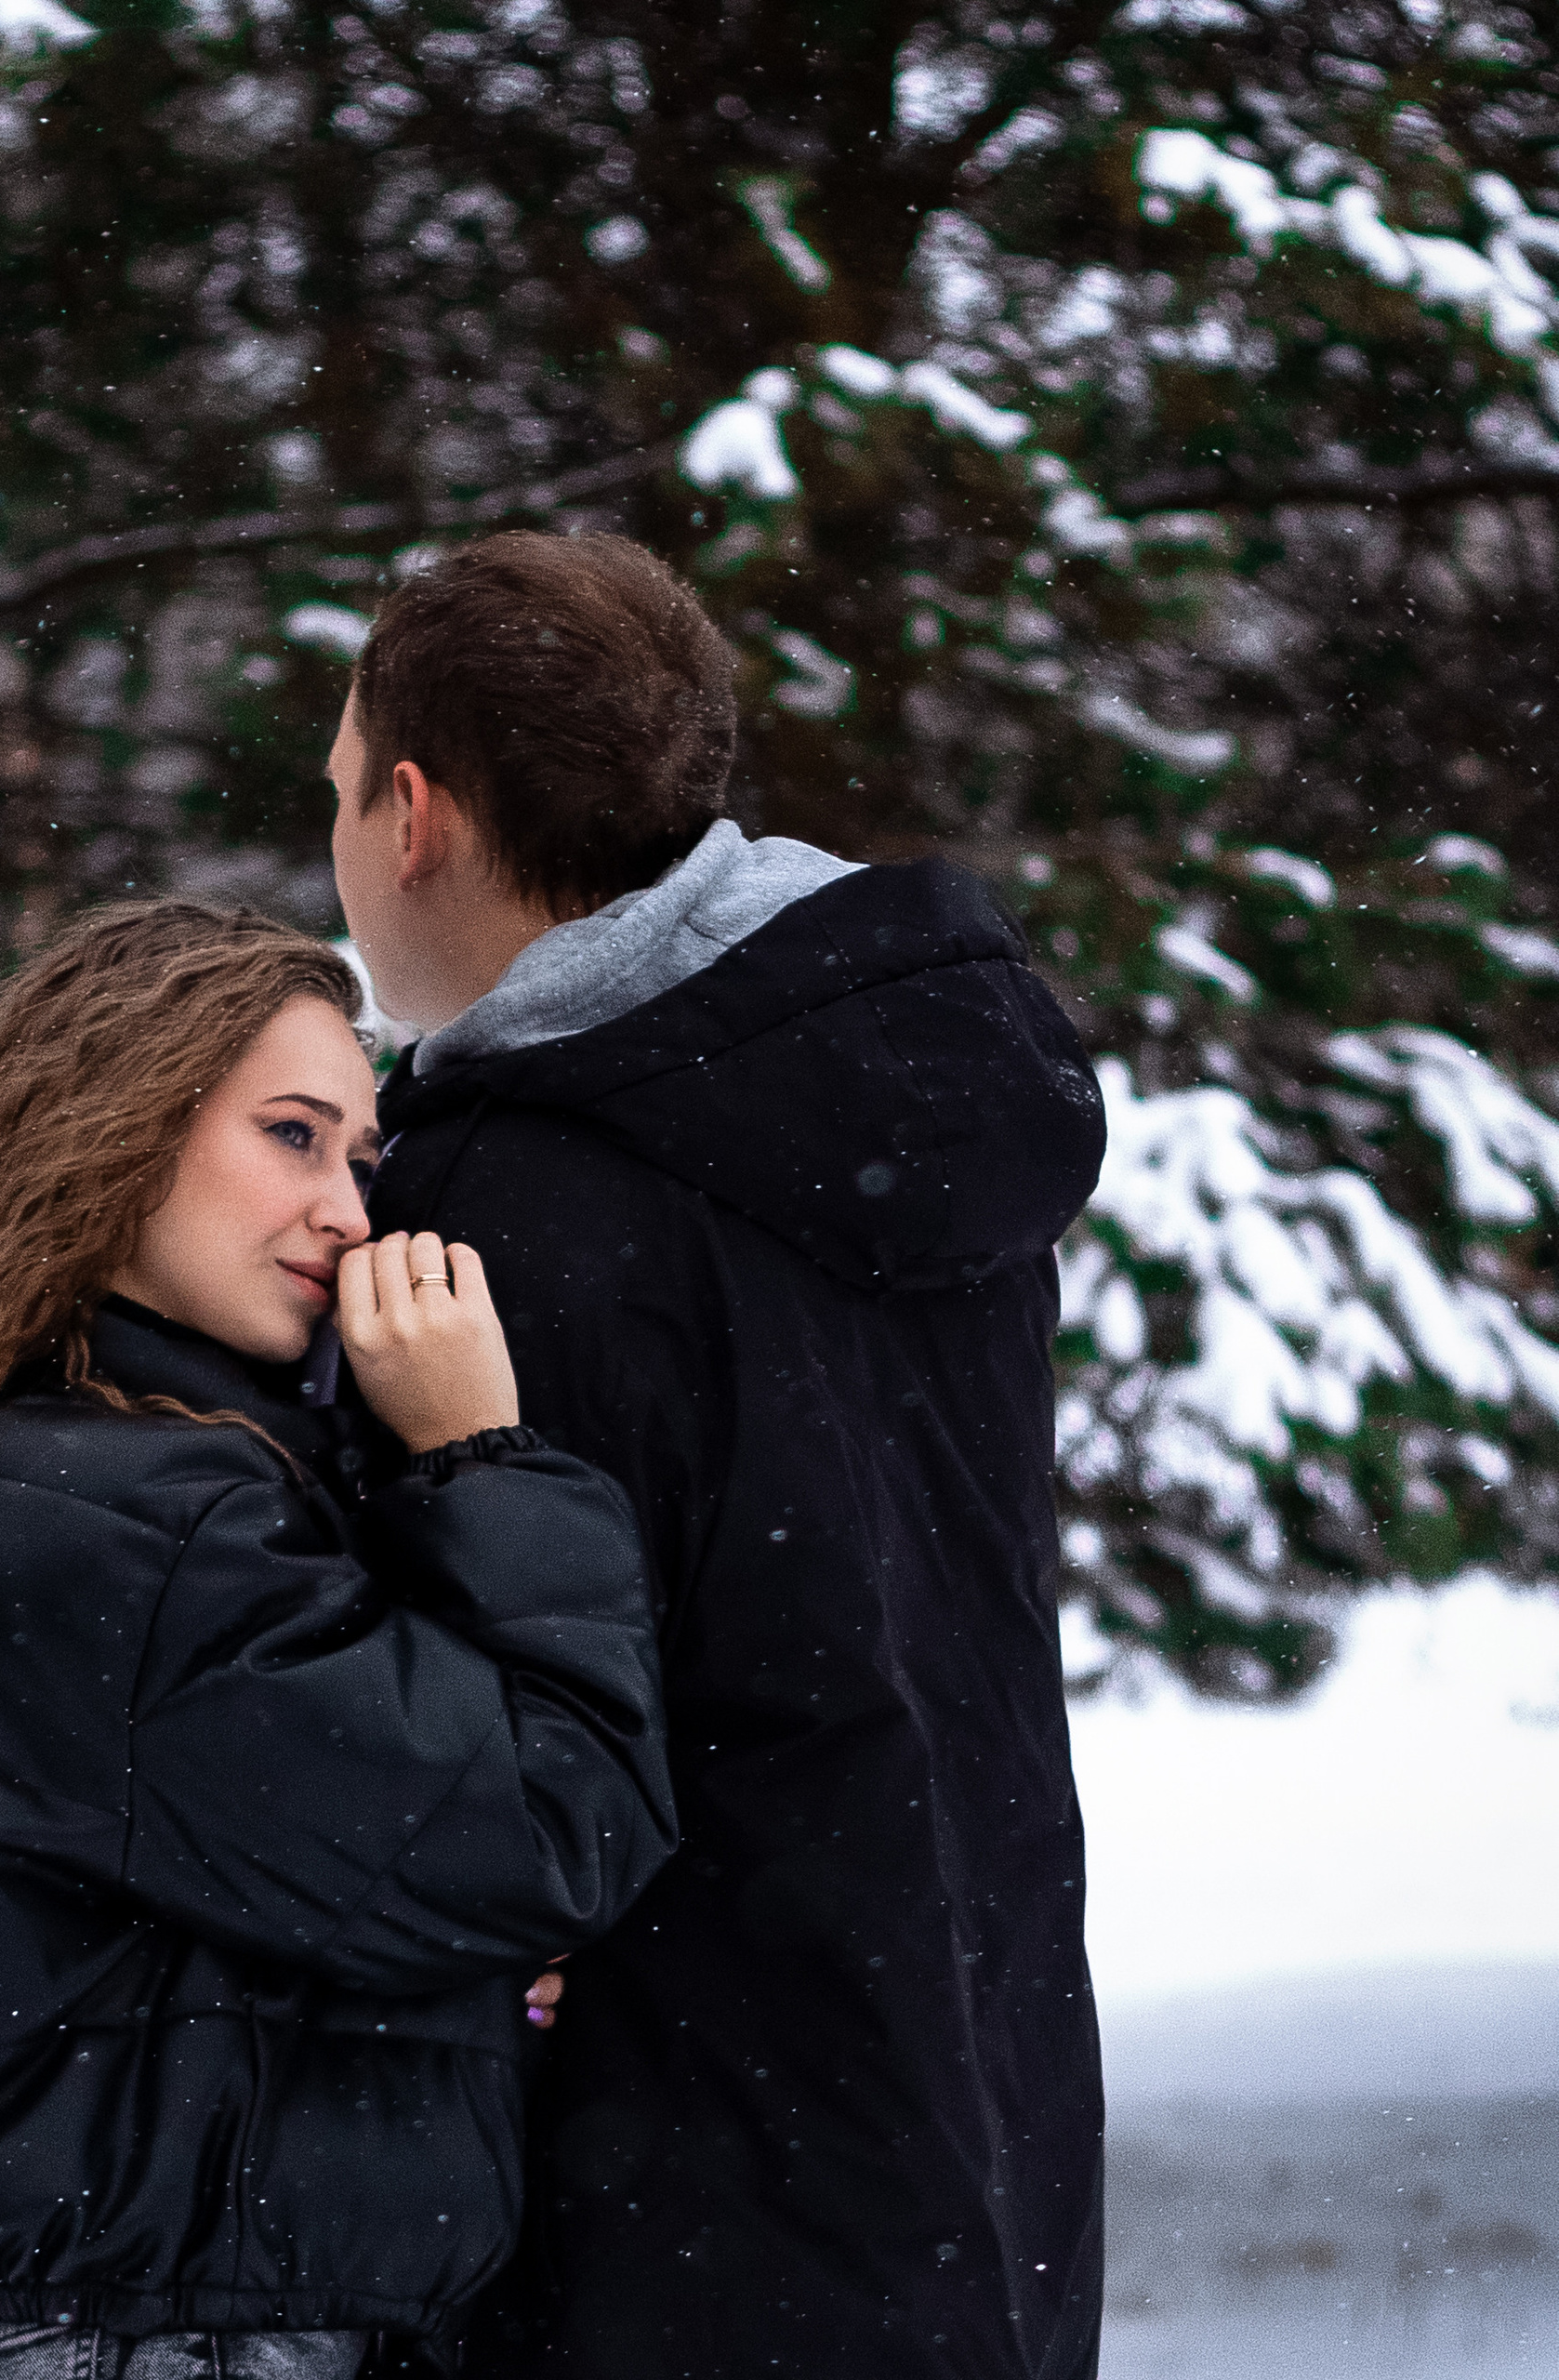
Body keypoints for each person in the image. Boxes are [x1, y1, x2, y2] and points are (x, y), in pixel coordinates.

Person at [0, 901, 677, 2380]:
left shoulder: (28, 1479)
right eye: (292, 1136)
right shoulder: (130, 1527)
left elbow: (245, 1909)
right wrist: (477, 1452)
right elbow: (549, 1827)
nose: (348, 1213)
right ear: (115, 1130)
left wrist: (467, 1977)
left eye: (361, 1161)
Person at [328, 533, 1110, 2379]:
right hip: (969, 2126)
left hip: (669, 2198)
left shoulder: (485, 1216)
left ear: (415, 815)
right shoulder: (909, 1088)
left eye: (337, 792)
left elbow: (443, 1777)